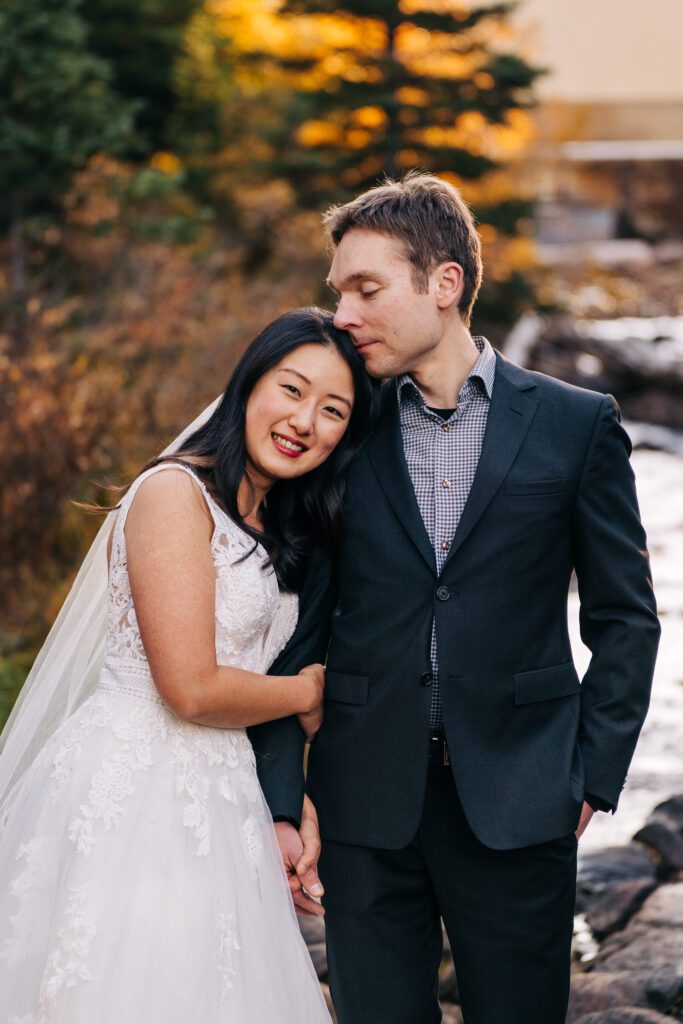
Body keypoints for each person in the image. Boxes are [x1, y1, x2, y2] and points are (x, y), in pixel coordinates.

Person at [251, 174, 661, 1024]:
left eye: (366, 289)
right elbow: (297, 622)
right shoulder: (339, 426)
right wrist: (286, 796)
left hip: (522, 794)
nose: (344, 315)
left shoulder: (576, 424)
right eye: (338, 293)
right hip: (363, 798)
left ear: (443, 285)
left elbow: (623, 617)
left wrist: (590, 771)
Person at [0, 307, 377, 1023]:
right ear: (247, 385)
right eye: (291, 390)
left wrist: (290, 801)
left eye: (333, 410)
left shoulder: (274, 526)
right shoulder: (175, 494)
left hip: (219, 792)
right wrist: (307, 689)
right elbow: (191, 688)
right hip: (135, 793)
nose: (305, 421)